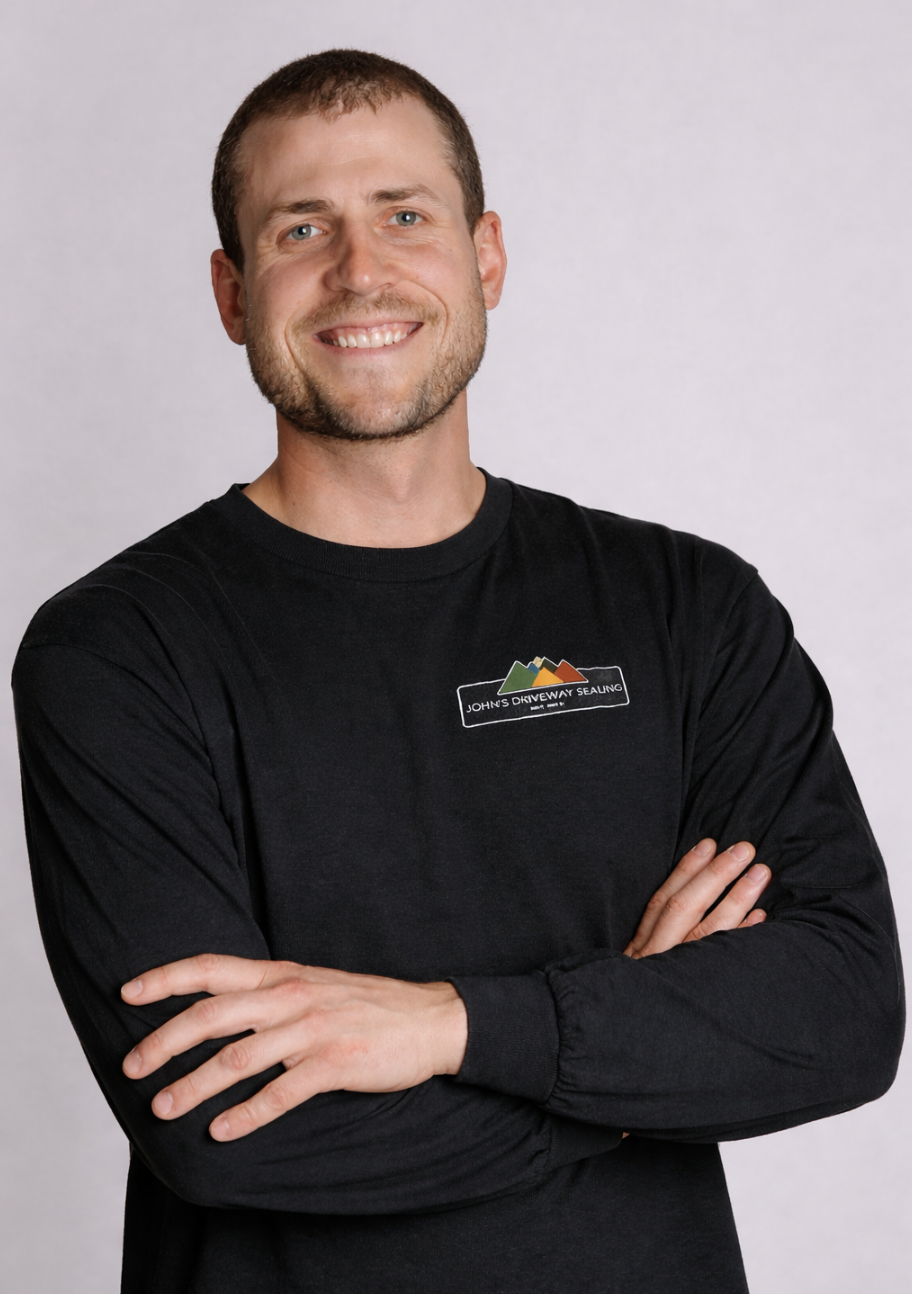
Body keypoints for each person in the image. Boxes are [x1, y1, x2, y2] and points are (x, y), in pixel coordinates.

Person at [13, 48, 903, 1294]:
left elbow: (844, 1013)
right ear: (231, 292)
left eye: (405, 216)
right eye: (301, 227)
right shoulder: (116, 650)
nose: (358, 270)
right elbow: (220, 1126)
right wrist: (631, 1057)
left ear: (486, 257)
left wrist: (449, 1027)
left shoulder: (686, 606)